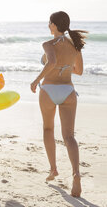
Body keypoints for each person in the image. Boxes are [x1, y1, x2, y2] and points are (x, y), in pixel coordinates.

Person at [30, 11, 86, 197]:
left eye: (49, 23)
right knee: (69, 136)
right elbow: (79, 72)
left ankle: (53, 169)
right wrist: (66, 67)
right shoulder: (75, 45)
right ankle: (76, 174)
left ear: (54, 25)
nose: (48, 25)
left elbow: (52, 62)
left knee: (48, 129)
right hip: (68, 92)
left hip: (49, 91)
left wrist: (35, 80)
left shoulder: (48, 44)